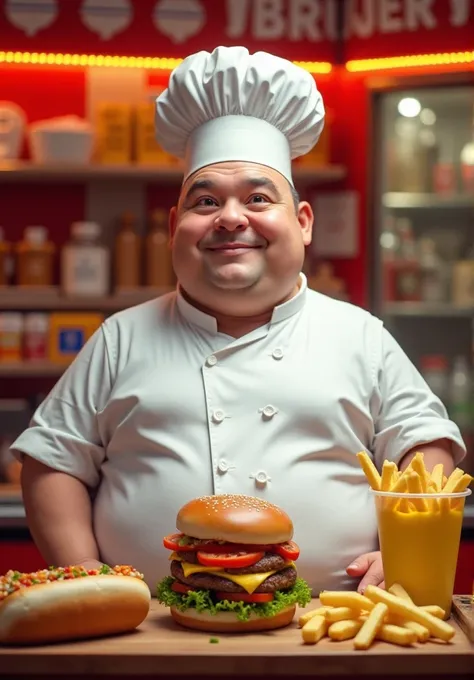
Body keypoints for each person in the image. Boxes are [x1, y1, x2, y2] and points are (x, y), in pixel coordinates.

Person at [11, 46, 465, 595]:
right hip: (144, 631)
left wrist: (404, 552)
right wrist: (88, 580)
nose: (230, 218)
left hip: (331, 627)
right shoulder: (120, 338)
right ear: (177, 224)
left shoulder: (359, 335)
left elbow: (425, 445)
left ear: (302, 222)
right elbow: (51, 461)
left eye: (256, 197)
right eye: (205, 201)